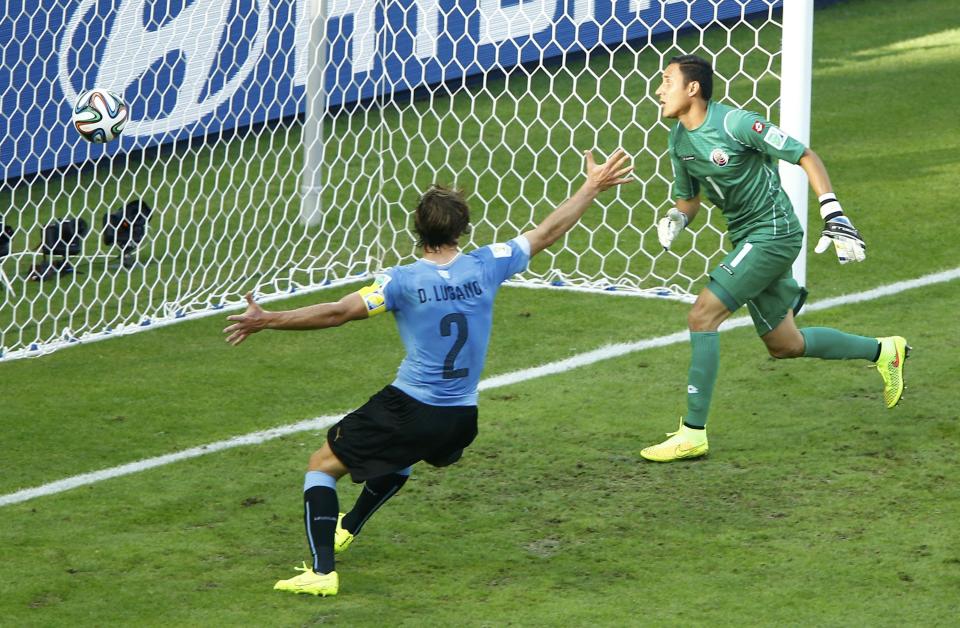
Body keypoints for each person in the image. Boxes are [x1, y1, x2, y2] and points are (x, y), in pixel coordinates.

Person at [224, 149, 633, 596]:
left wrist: (269, 319)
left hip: (411, 405)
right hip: (461, 419)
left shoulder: (400, 281)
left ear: (417, 230)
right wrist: (592, 186)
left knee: (321, 466)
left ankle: (321, 573)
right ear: (462, 230)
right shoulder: (488, 263)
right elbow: (547, 232)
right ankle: (350, 526)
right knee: (400, 454)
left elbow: (339, 312)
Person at [642, 54, 909, 462]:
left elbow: (804, 155)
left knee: (702, 314)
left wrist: (832, 211)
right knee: (785, 344)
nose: (659, 90)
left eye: (666, 81)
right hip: (746, 238)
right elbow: (688, 200)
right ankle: (883, 351)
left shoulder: (735, 124)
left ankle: (693, 432)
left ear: (692, 88)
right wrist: (677, 218)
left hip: (774, 232)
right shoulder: (679, 141)